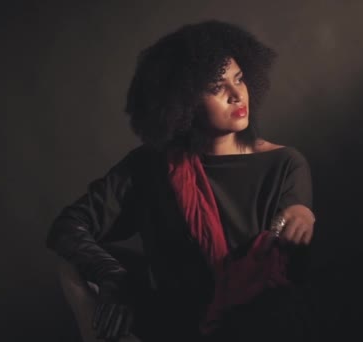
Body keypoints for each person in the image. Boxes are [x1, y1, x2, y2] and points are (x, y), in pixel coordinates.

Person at [46, 20, 316, 342]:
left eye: (239, 79)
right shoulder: (150, 167)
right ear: (184, 102)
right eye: (217, 88)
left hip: (255, 323)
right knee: (71, 265)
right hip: (172, 326)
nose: (236, 95)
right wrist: (113, 279)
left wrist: (300, 213)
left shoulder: (284, 163)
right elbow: (69, 227)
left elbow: (289, 229)